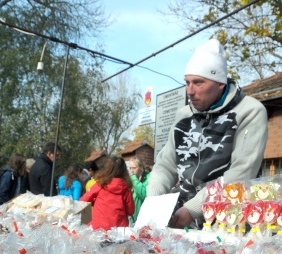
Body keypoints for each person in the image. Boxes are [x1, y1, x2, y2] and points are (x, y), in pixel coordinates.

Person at [147, 39, 268, 228]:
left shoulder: (250, 111)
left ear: (220, 84)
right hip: (181, 218)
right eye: (187, 82)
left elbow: (241, 173)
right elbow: (165, 165)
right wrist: (153, 199)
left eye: (198, 83)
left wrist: (193, 208)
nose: (190, 91)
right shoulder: (183, 115)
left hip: (229, 222)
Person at [80, 156, 135, 231]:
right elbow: (131, 211)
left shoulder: (101, 184)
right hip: (118, 230)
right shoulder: (126, 189)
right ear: (124, 171)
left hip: (99, 227)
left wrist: (94, 202)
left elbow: (83, 200)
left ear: (107, 168)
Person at [128, 157, 151, 223]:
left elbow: (143, 194)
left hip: (143, 217)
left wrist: (134, 179)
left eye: (134, 168)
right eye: (130, 168)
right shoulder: (134, 179)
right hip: (133, 217)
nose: (131, 171)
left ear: (141, 167)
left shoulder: (149, 178)